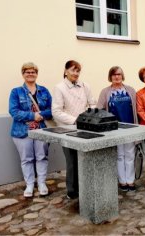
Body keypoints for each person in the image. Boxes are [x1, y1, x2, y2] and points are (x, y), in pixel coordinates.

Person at [52, 60, 96, 199]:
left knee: (85, 158)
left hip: (85, 128)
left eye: (78, 71)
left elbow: (92, 103)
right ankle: (72, 191)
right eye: (73, 70)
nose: (75, 73)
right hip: (68, 130)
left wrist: (89, 117)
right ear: (66, 71)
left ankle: (85, 188)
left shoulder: (85, 86)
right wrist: (75, 120)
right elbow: (56, 111)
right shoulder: (59, 88)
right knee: (72, 161)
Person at [9, 62, 52, 197]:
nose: (30, 74)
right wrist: (33, 115)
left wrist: (41, 115)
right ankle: (29, 185)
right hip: (22, 131)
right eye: (27, 72)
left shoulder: (44, 91)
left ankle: (42, 183)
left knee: (42, 157)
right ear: (23, 74)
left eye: (33, 71)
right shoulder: (16, 92)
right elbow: (13, 111)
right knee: (26, 159)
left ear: (36, 74)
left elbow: (52, 110)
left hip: (41, 130)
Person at [98, 66, 138, 192]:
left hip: (130, 127)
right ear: (110, 77)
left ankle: (130, 181)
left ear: (122, 76)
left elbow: (136, 109)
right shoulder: (105, 92)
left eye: (119, 74)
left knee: (130, 155)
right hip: (115, 129)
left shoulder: (130, 90)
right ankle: (122, 181)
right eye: (114, 74)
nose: (117, 77)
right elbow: (99, 109)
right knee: (119, 155)